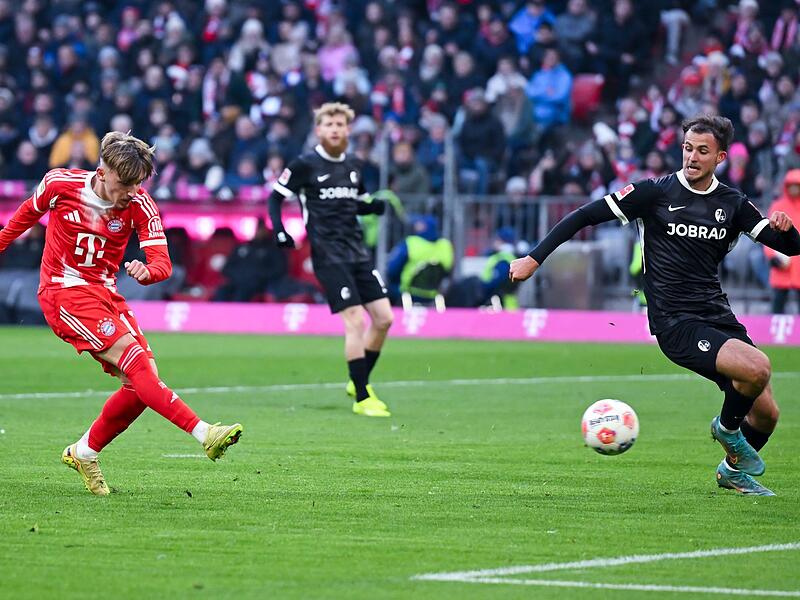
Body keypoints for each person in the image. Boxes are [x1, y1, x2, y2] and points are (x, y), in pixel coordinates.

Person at [509, 115, 800, 496]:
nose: (692, 157)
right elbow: (585, 215)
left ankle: (731, 471)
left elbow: (791, 248)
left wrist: (785, 226)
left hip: (718, 315)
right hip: (675, 321)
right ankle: (726, 431)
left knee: (767, 413)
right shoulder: (654, 193)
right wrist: (534, 258)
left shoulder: (733, 204)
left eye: (702, 151)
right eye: (687, 148)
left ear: (721, 157)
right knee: (758, 367)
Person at [0, 131, 243, 496]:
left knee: (142, 382)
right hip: (63, 291)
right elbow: (20, 220)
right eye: (125, 182)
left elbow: (161, 262)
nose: (132, 190)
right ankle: (204, 432)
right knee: (138, 366)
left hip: (105, 293)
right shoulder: (59, 184)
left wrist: (150, 272)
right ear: (102, 170)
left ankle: (84, 452)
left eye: (138, 182)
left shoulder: (139, 204)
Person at [268, 102, 393, 418]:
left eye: (340, 124)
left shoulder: (354, 164)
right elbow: (275, 197)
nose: (335, 129)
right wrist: (281, 231)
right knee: (355, 320)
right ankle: (363, 396)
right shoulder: (304, 165)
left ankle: (358, 378)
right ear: (319, 129)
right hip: (327, 255)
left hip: (357, 253)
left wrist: (372, 206)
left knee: (384, 319)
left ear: (348, 129)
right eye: (329, 124)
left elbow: (354, 202)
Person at [764, 169, 800, 313]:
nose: (793, 189)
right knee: (778, 305)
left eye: (796, 185)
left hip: (798, 263)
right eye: (790, 185)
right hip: (782, 265)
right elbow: (769, 235)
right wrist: (772, 257)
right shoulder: (778, 206)